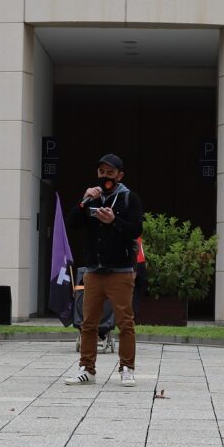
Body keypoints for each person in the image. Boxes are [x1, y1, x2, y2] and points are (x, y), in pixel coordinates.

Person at [65, 153, 143, 387]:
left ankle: (127, 368)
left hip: (120, 271)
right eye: (101, 172)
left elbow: (136, 229)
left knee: (125, 322)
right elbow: (72, 223)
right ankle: (86, 369)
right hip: (94, 271)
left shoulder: (129, 198)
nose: (105, 176)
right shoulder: (92, 198)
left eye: (110, 172)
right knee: (88, 323)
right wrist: (84, 200)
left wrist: (114, 221)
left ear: (120, 175)